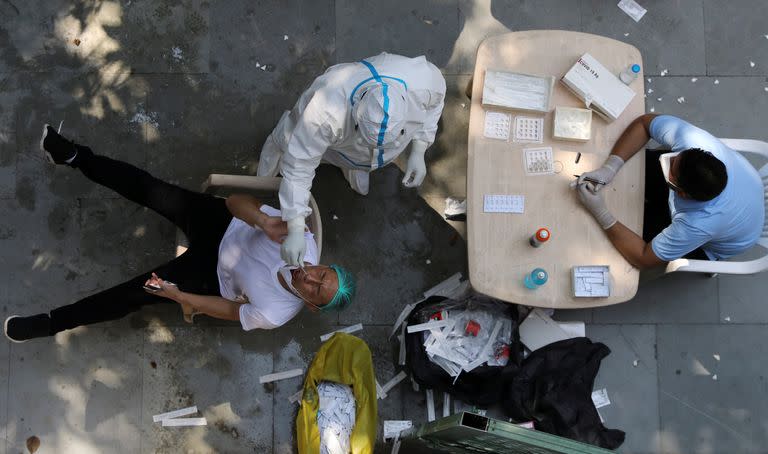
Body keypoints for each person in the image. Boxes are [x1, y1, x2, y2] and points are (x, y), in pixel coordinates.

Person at [4, 125, 356, 342]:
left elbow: (226, 310)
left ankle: (52, 324)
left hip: (210, 276)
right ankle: (74, 156)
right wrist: (263, 222)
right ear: (324, 266)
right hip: (224, 224)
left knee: (134, 294)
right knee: (149, 188)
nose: (309, 278)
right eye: (320, 274)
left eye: (315, 290)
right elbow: (234, 202)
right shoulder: (301, 239)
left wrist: (180, 297)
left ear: (310, 305)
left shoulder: (275, 313)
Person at [258, 52, 446, 266]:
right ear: (357, 111)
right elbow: (300, 165)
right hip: (319, 135)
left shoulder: (424, 82)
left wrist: (419, 148)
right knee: (291, 139)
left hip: (349, 151)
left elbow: (435, 105)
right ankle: (277, 143)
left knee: (355, 155)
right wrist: (295, 226)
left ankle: (355, 166)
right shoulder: (324, 112)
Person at [575, 114, 764, 269]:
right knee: (645, 166)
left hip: (726, 241)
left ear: (682, 194)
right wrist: (611, 166)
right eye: (674, 158)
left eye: (671, 170)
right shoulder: (691, 140)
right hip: (746, 192)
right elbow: (644, 123)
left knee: (636, 231)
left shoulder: (697, 224)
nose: (666, 160)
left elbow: (643, 258)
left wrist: (601, 213)